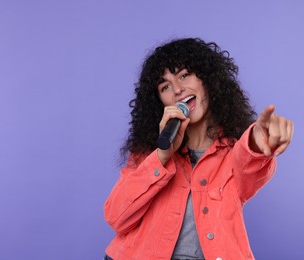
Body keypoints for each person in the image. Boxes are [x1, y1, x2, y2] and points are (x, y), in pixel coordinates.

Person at [103, 38, 293, 260]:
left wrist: (255, 144)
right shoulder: (149, 152)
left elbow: (248, 165)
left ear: (207, 79)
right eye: (165, 86)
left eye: (184, 75)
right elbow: (116, 217)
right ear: (161, 103)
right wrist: (162, 155)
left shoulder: (235, 150)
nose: (177, 89)